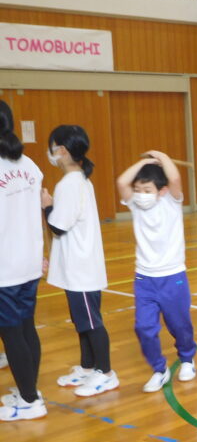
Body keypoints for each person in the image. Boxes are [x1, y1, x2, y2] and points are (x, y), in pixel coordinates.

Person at [43, 125, 118, 397]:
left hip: (81, 268)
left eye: (52, 146)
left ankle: (106, 373)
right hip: (75, 266)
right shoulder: (78, 180)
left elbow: (58, 226)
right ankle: (88, 367)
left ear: (61, 150)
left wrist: (46, 205)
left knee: (91, 321)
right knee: (81, 320)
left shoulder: (70, 184)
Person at [116, 151, 196, 393]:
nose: (141, 195)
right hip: (144, 278)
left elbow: (174, 178)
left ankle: (187, 359)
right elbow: (121, 182)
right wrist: (143, 163)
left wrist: (161, 157)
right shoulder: (135, 205)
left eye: (147, 190)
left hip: (173, 277)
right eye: (138, 189)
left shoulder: (171, 202)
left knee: (179, 324)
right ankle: (159, 370)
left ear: (161, 191)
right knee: (144, 327)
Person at [0, 100, 46, 421]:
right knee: (26, 326)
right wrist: (42, 253)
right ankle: (30, 389)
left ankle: (30, 400)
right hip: (28, 260)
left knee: (12, 332)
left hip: (5, 266)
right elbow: (38, 213)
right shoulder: (29, 165)